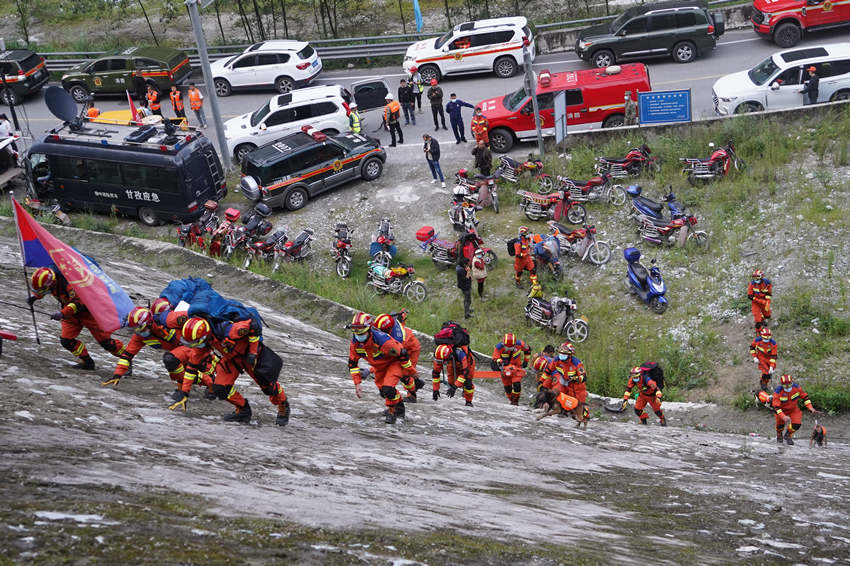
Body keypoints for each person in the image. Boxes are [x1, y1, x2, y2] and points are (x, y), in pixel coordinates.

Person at [27, 267, 126, 370]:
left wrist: (62, 313)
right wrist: (34, 297)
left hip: (89, 314)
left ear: (53, 282)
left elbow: (78, 303)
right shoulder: (51, 282)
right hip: (70, 315)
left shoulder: (71, 283)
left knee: (106, 343)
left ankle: (126, 359)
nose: (43, 292)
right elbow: (43, 290)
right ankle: (87, 362)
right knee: (66, 341)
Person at [348, 312, 412, 423]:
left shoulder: (385, 339)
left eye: (361, 332)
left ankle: (394, 410)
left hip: (395, 361)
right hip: (382, 364)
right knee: (384, 392)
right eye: (356, 332)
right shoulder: (356, 343)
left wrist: (410, 370)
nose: (358, 336)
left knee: (389, 388)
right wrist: (357, 383)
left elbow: (402, 354)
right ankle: (399, 408)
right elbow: (353, 363)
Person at [372, 312, 423, 403]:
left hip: (411, 350)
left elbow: (390, 360)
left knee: (405, 374)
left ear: (388, 330)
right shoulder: (387, 325)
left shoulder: (398, 338)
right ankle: (416, 383)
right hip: (403, 348)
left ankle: (412, 395)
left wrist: (370, 370)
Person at [771, 374, 820, 445]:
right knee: (780, 426)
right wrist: (783, 416)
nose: (787, 387)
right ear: (782, 385)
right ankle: (779, 434)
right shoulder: (778, 392)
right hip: (782, 411)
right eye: (785, 385)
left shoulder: (797, 388)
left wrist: (810, 408)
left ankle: (788, 435)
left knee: (797, 424)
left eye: (789, 384)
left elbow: (805, 398)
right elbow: (776, 407)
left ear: (792, 383)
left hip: (793, 409)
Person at [491, 333, 531, 405]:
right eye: (507, 347)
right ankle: (510, 398)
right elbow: (495, 358)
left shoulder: (520, 344)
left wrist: (526, 361)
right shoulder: (499, 347)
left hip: (517, 368)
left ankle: (515, 401)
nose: (508, 349)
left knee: (517, 385)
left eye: (511, 347)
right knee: (507, 386)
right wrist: (500, 362)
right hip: (505, 369)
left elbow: (528, 350)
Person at [750, 327, 777, 391]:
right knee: (766, 373)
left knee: (769, 373)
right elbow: (752, 348)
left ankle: (765, 382)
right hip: (761, 358)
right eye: (765, 338)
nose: (766, 339)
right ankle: (763, 384)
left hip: (770, 359)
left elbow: (774, 356)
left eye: (768, 338)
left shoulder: (773, 343)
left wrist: (771, 366)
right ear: (762, 336)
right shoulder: (757, 341)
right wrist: (755, 357)